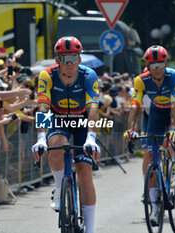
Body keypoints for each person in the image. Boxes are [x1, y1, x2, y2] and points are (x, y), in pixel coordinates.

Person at [31, 36, 100, 233]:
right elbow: (43, 106)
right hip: (58, 118)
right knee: (56, 145)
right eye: (64, 59)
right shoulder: (47, 75)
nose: (69, 64)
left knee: (85, 172)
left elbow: (93, 107)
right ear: (57, 60)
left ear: (80, 59)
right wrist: (41, 137)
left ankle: (90, 229)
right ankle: (60, 187)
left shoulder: (88, 75)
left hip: (82, 121)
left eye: (73, 58)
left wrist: (91, 138)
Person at [123, 45, 175, 226]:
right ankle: (153, 208)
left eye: (160, 64)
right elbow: (135, 106)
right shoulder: (140, 80)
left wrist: (174, 127)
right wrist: (131, 129)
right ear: (148, 67)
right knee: (151, 155)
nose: (157, 69)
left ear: (166, 63)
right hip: (157, 113)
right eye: (153, 66)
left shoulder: (173, 75)